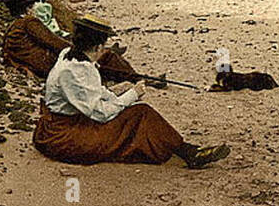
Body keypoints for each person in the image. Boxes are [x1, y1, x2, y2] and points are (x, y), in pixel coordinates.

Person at [33, 14, 229, 168]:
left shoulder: (70, 54)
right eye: (104, 46)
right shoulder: (74, 72)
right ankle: (189, 153)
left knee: (136, 113)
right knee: (140, 114)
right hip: (62, 135)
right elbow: (100, 113)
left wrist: (118, 96)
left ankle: (187, 150)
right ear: (99, 46)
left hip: (67, 122)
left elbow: (95, 92)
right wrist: (132, 95)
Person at [2, 0, 141, 83]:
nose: (38, 8)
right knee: (106, 57)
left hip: (38, 64)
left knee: (99, 58)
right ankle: (139, 79)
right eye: (35, 4)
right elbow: (53, 42)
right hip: (48, 65)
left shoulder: (14, 26)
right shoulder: (29, 22)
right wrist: (82, 51)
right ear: (28, 7)